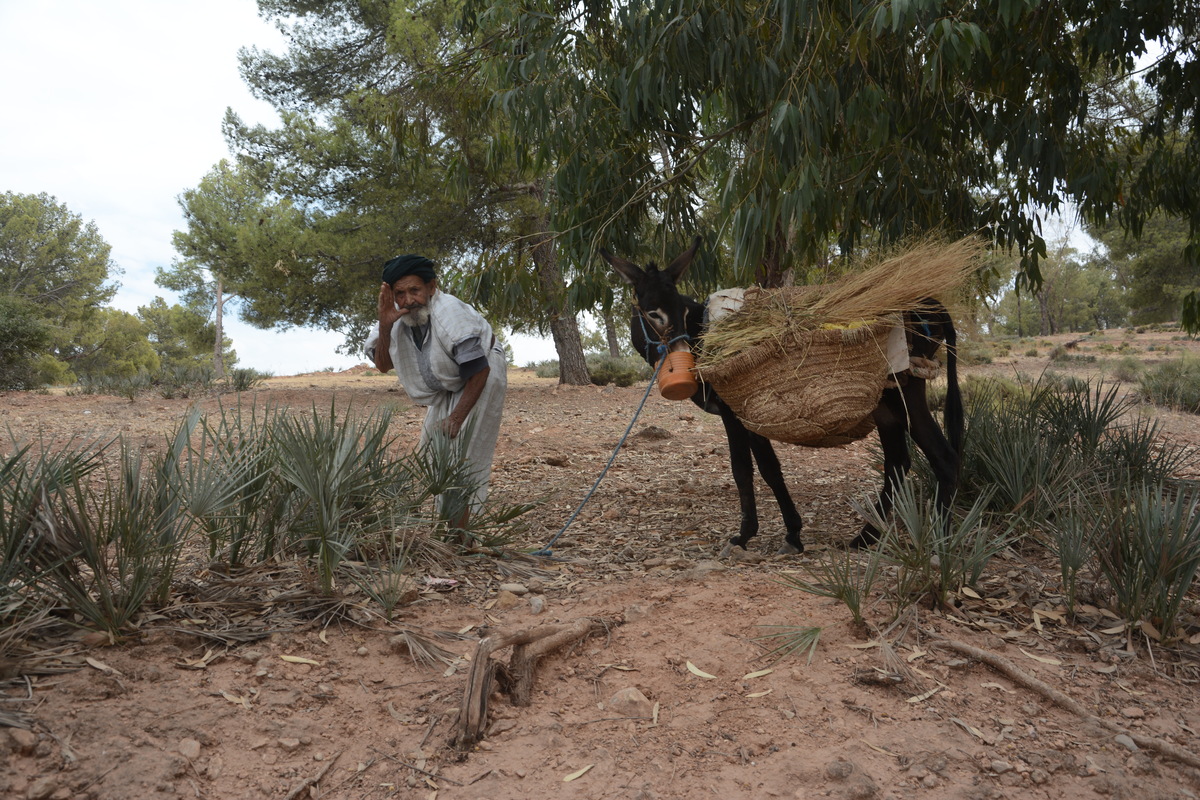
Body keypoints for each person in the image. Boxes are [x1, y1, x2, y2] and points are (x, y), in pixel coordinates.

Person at [366, 254, 507, 528]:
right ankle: (447, 527)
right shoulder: (395, 317)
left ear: (431, 287)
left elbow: (479, 369)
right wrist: (385, 324)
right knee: (431, 449)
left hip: (483, 371)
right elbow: (383, 364)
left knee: (462, 451)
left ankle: (462, 535)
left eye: (415, 291)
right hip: (448, 381)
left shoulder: (449, 314)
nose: (409, 301)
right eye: (400, 293)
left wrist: (456, 418)